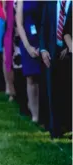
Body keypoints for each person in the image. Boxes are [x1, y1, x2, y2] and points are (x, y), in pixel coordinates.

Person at [40, 0, 72, 138]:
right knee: (53, 90)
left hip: (69, 53)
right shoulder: (50, 3)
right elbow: (43, 27)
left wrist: (68, 48)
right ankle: (55, 129)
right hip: (52, 53)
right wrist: (43, 49)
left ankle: (69, 126)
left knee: (69, 91)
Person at [16, 1, 41, 123]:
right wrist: (28, 47)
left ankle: (44, 114)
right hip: (27, 41)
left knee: (43, 79)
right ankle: (34, 114)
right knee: (30, 77)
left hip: (42, 40)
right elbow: (19, 23)